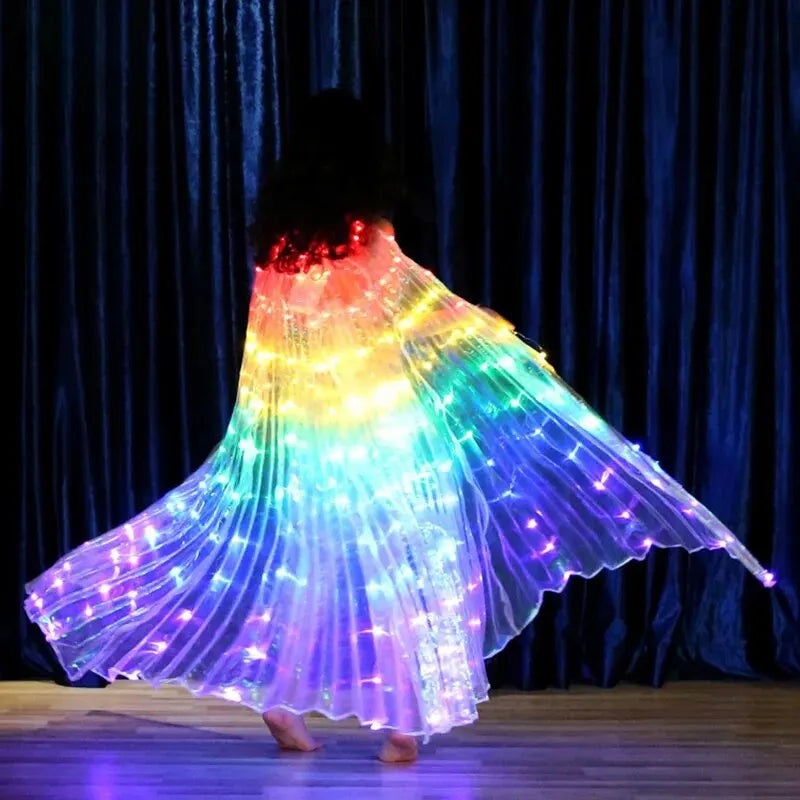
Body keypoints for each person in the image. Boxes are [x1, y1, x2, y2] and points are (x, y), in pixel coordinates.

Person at [24, 89, 775, 764]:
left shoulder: (277, 251)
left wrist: (271, 440)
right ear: (361, 159)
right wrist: (500, 338)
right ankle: (404, 725)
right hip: (384, 433)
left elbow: (268, 354)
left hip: (306, 442)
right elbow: (429, 318)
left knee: (307, 578)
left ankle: (282, 701)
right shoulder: (367, 234)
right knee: (411, 574)